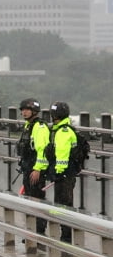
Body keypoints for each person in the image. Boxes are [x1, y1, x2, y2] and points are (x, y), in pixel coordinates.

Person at [45, 100, 79, 245]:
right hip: (67, 174)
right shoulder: (62, 129)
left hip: (64, 175)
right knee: (63, 204)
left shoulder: (63, 131)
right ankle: (65, 236)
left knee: (63, 205)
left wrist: (58, 173)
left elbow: (62, 154)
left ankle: (66, 238)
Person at [16, 97, 50, 235]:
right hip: (28, 168)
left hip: (36, 170)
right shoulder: (28, 125)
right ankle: (32, 232)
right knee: (29, 200)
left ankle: (39, 232)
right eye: (22, 110)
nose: (24, 112)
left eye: (27, 110)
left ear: (34, 111)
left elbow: (43, 150)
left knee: (37, 200)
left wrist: (38, 169)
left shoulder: (39, 126)